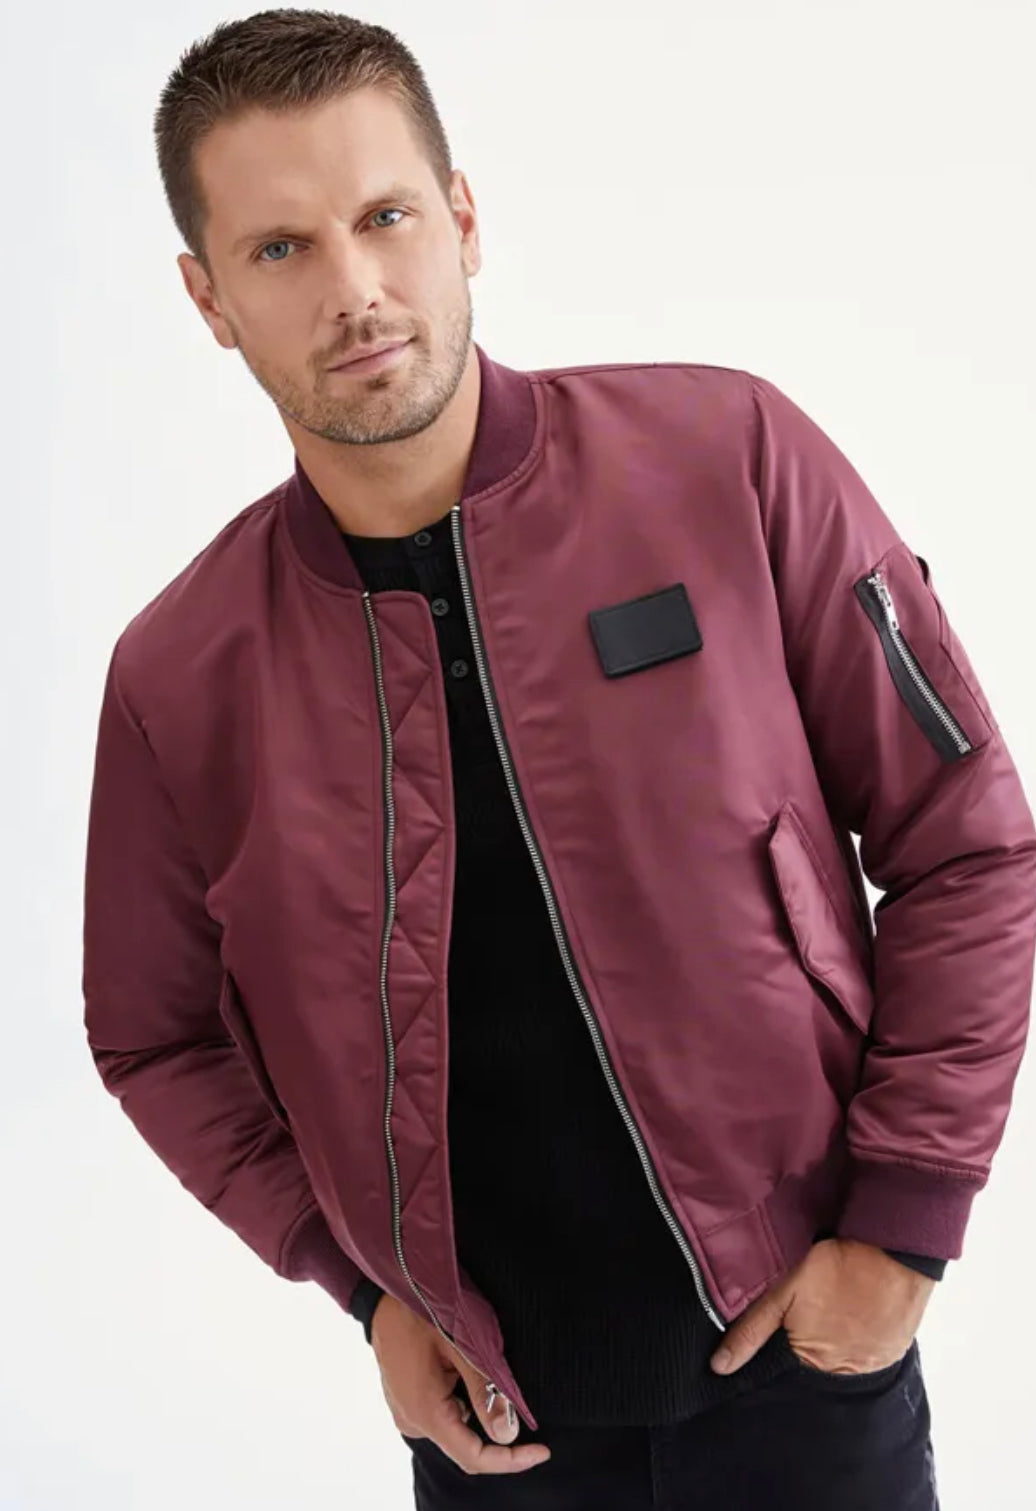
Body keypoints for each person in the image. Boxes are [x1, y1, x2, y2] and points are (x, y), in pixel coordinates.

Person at [81, 10, 1036, 1509]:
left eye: (385, 217)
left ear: (462, 218)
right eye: (279, 249)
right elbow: (154, 1038)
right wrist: (361, 1290)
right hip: (494, 1435)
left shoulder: (730, 458)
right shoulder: (179, 676)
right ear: (208, 298)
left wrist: (905, 1227)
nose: (354, 289)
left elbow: (966, 834)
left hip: (809, 1373)